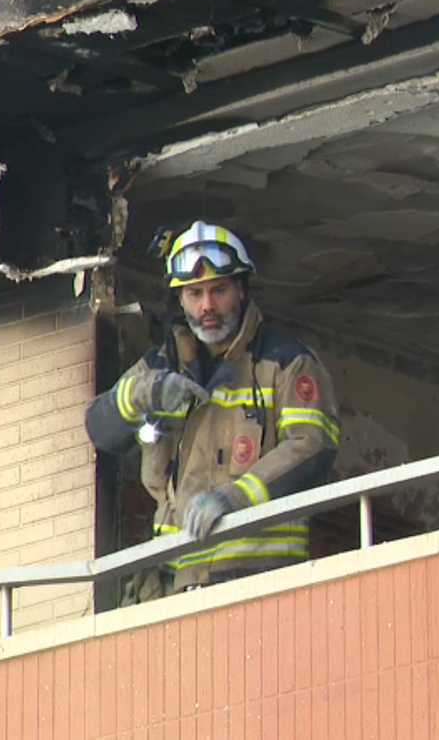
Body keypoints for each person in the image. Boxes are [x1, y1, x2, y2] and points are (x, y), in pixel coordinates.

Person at [85, 221, 340, 596]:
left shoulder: (286, 361)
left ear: (241, 289)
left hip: (261, 579)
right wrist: (148, 393)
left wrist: (232, 498)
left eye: (218, 290)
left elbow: (313, 446)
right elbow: (99, 428)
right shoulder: (162, 364)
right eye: (194, 293)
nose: (207, 306)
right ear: (179, 298)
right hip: (174, 585)